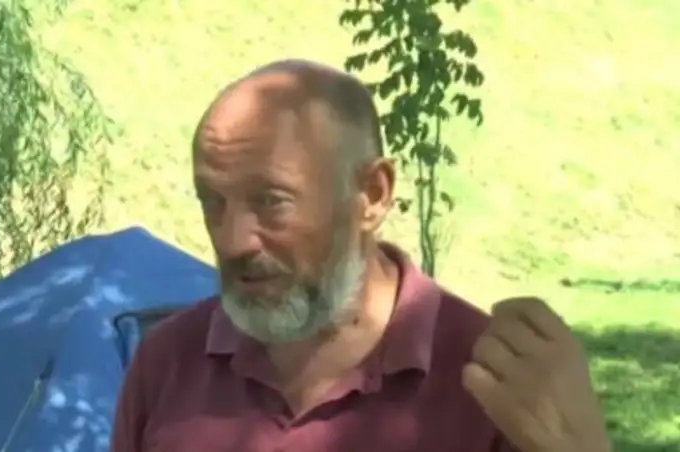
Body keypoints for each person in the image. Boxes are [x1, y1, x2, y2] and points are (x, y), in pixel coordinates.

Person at [112, 59, 612, 452]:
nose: (234, 240)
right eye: (212, 202)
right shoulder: (167, 364)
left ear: (373, 194)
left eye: (271, 201)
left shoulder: (493, 383)